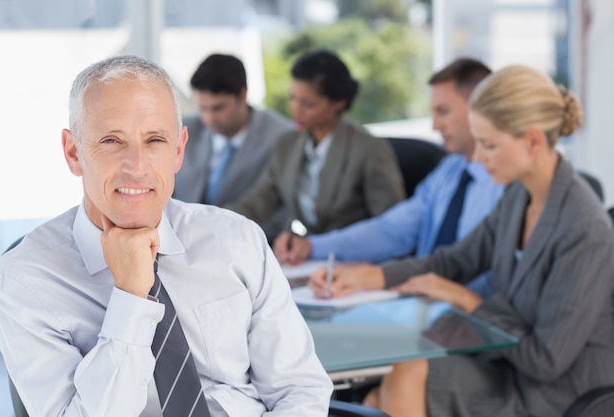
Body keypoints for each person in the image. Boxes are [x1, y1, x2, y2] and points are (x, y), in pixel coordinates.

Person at [0, 55, 332, 417]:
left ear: (179, 150)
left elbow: (299, 390)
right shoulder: (25, 280)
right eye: (111, 140)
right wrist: (131, 296)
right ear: (74, 153)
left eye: (154, 140)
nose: (136, 167)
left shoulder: (238, 240)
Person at [311, 65, 614, 417]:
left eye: (489, 145)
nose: (479, 158)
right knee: (393, 384)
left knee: (403, 378)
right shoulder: (519, 195)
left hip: (557, 388)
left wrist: (466, 299)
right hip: (509, 361)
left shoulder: (584, 228)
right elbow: (455, 260)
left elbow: (545, 360)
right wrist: (370, 276)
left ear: (532, 140)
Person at [275, 58, 503, 296]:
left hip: (474, 314)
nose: (435, 126)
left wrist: (378, 276)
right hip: (420, 305)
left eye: (443, 112)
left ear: (481, 110)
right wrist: (312, 246)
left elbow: (468, 267)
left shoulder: (507, 185)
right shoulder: (449, 171)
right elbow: (391, 230)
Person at [229, 49, 405, 238]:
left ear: (339, 102)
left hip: (356, 259)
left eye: (308, 104)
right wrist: (215, 221)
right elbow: (258, 201)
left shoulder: (369, 149)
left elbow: (392, 226)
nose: (296, 110)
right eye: (292, 98)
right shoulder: (287, 144)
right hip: (307, 258)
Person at [173, 53, 294, 207]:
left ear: (242, 96)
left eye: (218, 108)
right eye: (202, 108)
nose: (209, 118)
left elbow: (281, 207)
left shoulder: (281, 137)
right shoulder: (182, 130)